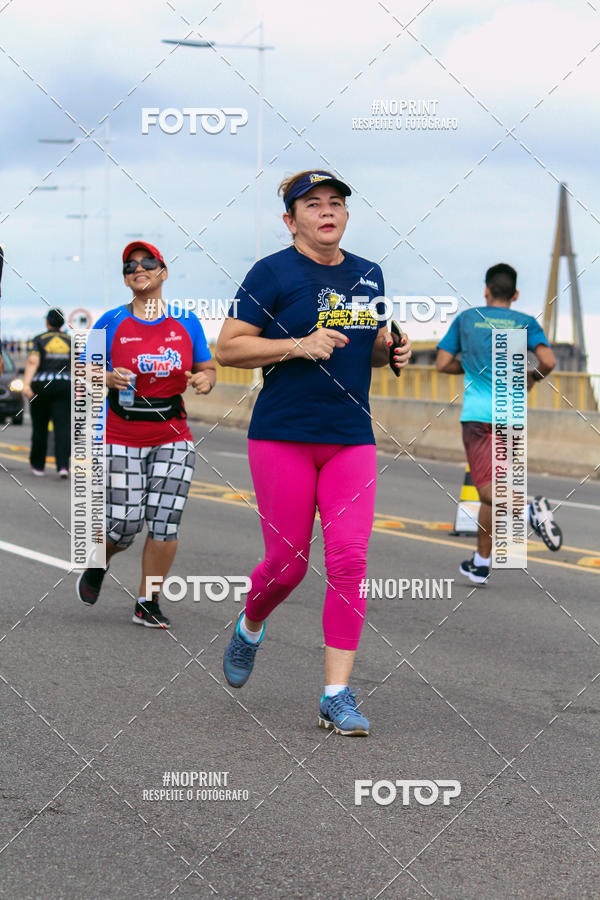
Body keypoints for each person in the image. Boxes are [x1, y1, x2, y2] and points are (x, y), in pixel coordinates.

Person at [216, 170, 411, 736]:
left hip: (350, 437)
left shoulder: (368, 274)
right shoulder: (272, 272)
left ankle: (335, 695)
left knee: (349, 562)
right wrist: (296, 345)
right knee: (289, 566)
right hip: (282, 435)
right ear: (291, 220)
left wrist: (386, 349)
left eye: (336, 203)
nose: (327, 211)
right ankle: (251, 623)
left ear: (346, 215)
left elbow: (363, 349)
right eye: (313, 204)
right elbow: (228, 348)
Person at [75, 241, 216, 628]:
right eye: (130, 266)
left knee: (166, 522)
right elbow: (83, 369)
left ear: (163, 272)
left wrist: (204, 379)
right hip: (121, 434)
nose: (139, 268)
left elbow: (208, 368)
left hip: (174, 435)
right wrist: (106, 375)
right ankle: (98, 561)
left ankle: (147, 601)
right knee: (124, 523)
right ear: (126, 279)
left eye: (148, 262)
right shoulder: (111, 321)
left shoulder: (186, 322)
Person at [436, 262, 563, 585]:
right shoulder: (525, 322)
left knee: (487, 489)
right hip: (512, 418)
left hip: (479, 417)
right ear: (516, 294)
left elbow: (442, 363)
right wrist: (531, 377)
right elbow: (548, 360)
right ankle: (480, 562)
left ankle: (532, 509)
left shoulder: (467, 318)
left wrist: (471, 369)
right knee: (492, 493)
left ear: (486, 290)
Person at [23, 308, 71, 477]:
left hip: (41, 386)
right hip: (65, 386)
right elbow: (79, 366)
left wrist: (26, 385)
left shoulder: (39, 339)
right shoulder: (70, 341)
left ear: (48, 322)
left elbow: (32, 361)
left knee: (40, 427)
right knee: (63, 427)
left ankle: (38, 465)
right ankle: (63, 466)